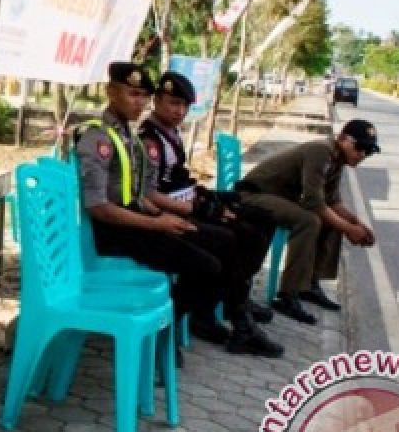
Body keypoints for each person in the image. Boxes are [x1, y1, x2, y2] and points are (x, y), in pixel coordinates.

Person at [75, 62, 255, 354]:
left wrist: (163, 214)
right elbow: (98, 207)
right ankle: (162, 334)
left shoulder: (127, 136)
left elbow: (138, 193)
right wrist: (156, 223)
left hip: (137, 221)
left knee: (221, 240)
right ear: (110, 92)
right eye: (133, 94)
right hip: (114, 231)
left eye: (143, 96)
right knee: (206, 265)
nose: (140, 103)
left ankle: (202, 320)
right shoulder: (98, 138)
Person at [138, 71, 282, 357]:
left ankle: (232, 295)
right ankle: (236, 314)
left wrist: (208, 201)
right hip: (171, 211)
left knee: (261, 217)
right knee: (233, 236)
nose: (179, 111)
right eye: (172, 103)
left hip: (189, 199)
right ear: (156, 101)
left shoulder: (171, 133)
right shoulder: (149, 140)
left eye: (184, 106)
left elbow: (179, 180)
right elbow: (148, 194)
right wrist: (200, 208)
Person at [236, 118, 380, 321]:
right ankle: (288, 295)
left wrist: (356, 224)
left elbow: (332, 201)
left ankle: (309, 284)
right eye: (360, 148)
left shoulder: (338, 159)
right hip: (252, 196)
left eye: (369, 151)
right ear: (343, 139)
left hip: (278, 198)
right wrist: (348, 229)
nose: (363, 155)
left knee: (331, 220)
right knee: (309, 220)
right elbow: (313, 201)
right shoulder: (321, 152)